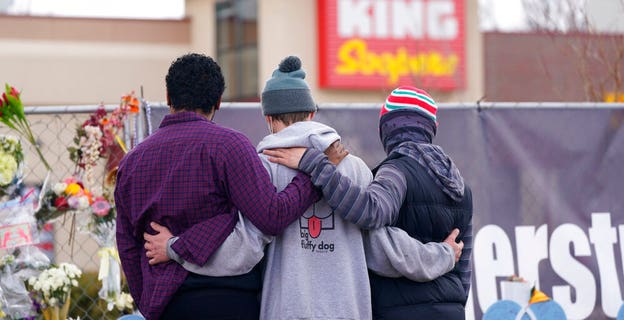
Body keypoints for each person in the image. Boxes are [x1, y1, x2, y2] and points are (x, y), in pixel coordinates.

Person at [144, 57, 464, 319]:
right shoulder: (351, 167)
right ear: (312, 114)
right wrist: (442, 254)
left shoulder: (262, 167)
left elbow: (242, 248)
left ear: (268, 118)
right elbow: (385, 250)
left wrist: (175, 247)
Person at [114, 53, 322, 320]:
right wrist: (313, 176)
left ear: (168, 97)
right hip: (230, 299)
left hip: (166, 304)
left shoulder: (132, 162)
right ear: (219, 101)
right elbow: (272, 216)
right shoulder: (229, 146)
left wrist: (148, 302)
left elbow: (128, 246)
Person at [264, 85, 473, 320]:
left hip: (400, 308)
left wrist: (317, 164)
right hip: (451, 309)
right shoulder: (461, 186)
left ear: (388, 128)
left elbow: (371, 213)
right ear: (431, 127)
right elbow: (464, 268)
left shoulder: (395, 172)